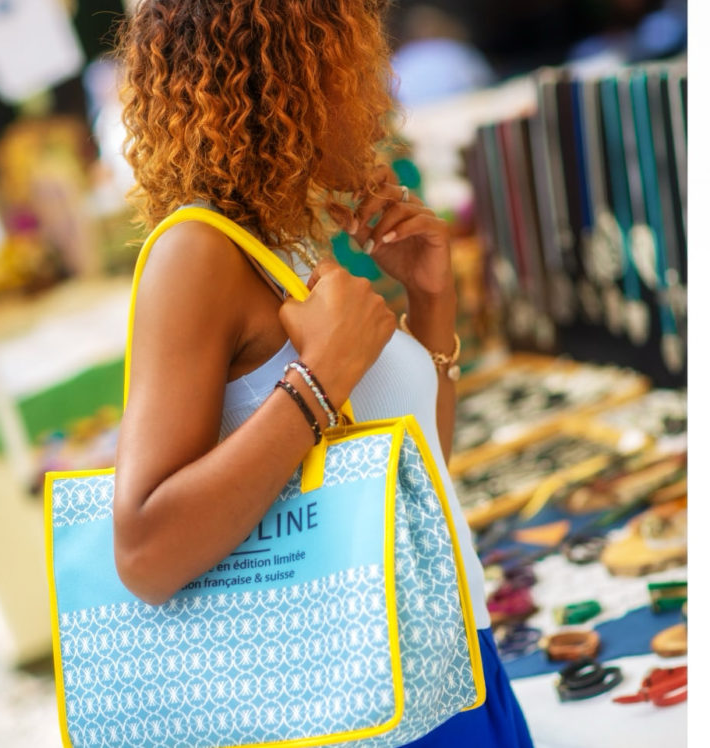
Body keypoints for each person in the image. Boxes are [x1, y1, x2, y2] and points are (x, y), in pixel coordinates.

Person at [113, 1, 534, 746]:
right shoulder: (199, 255)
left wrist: (431, 303)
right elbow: (144, 551)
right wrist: (321, 378)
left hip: (449, 663)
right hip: (361, 706)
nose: (379, 86)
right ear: (286, 75)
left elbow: (418, 468)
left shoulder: (290, 240)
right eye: (353, 59)